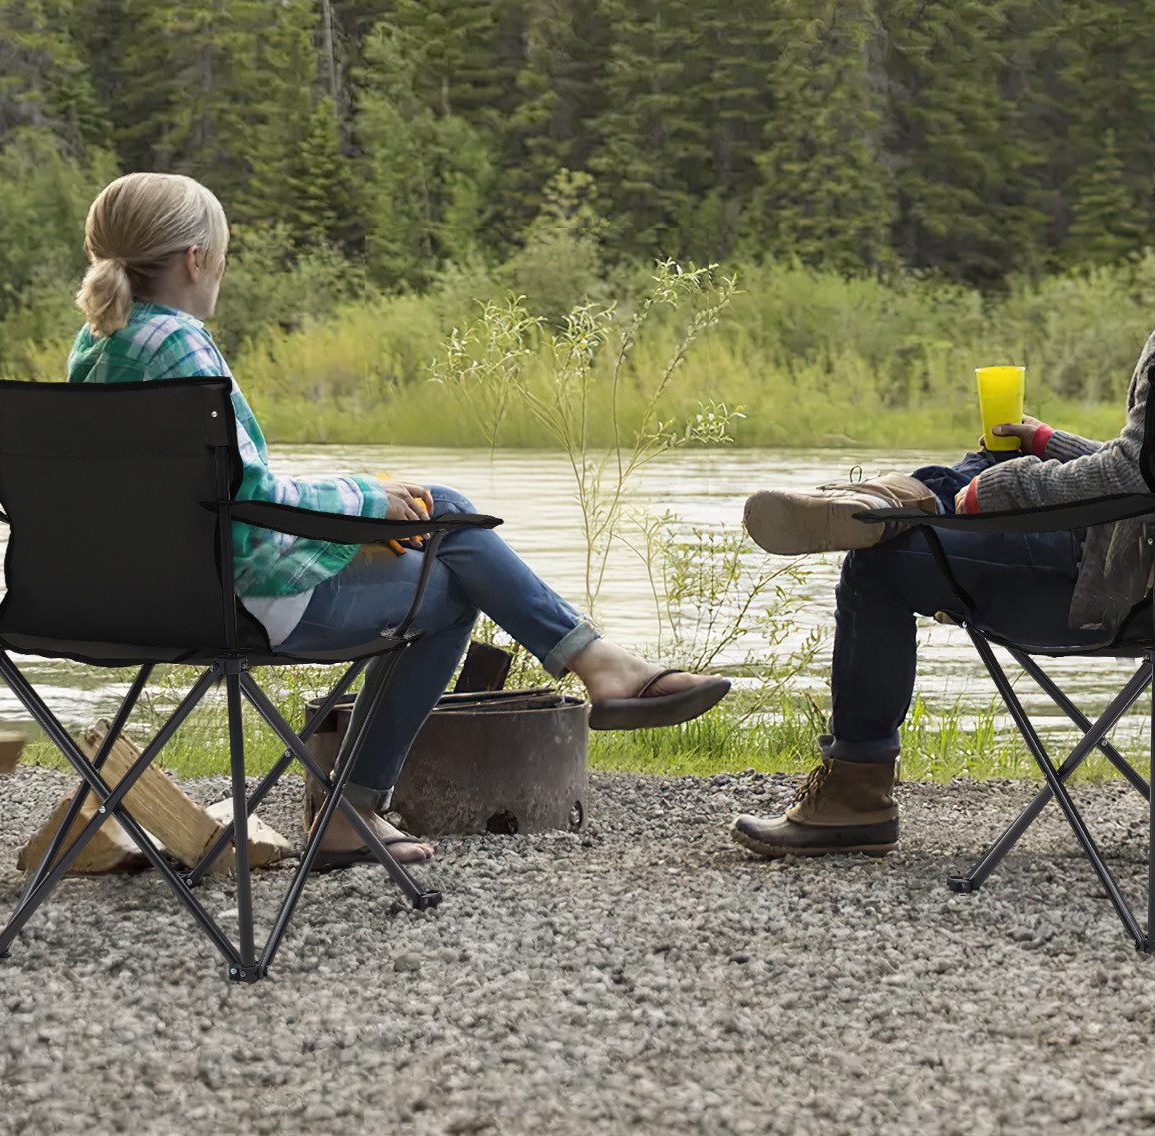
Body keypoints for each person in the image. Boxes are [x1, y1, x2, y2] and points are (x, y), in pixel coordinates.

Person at [70, 172, 729, 867]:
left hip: (139, 598)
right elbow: (246, 494)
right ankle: (355, 806)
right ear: (196, 259)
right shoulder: (180, 343)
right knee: (448, 593)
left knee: (440, 505)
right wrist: (364, 501)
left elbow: (215, 492)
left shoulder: (97, 346)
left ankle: (599, 664)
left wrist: (366, 494)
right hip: (237, 600)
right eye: (225, 257)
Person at [732, 111, 1155, 859]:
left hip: (1137, 596)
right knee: (1001, 460)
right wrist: (1048, 446)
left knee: (882, 566)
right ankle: (890, 501)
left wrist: (1008, 490)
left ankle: (856, 790)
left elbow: (1126, 480)